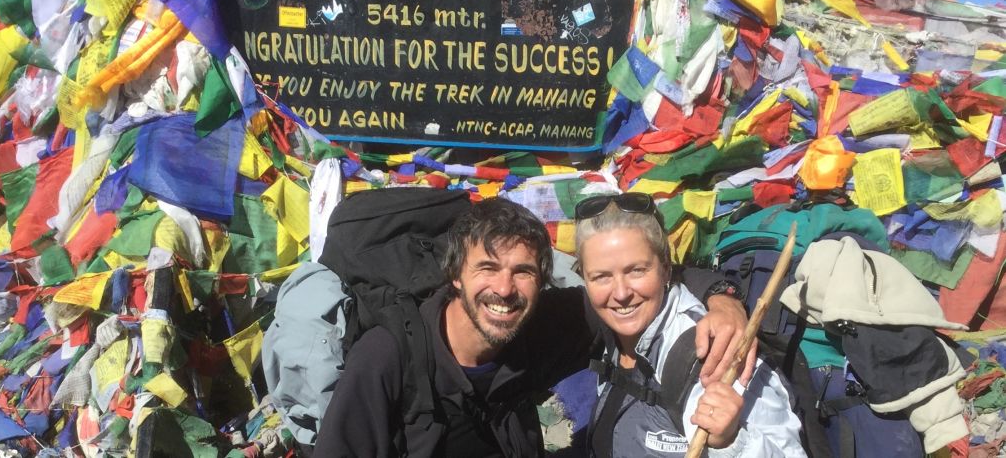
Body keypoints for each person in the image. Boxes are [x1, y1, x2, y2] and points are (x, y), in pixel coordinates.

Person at [313, 196, 753, 457]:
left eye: (522, 271)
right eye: (487, 268)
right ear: (454, 276)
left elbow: (631, 287)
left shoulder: (539, 322)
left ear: (542, 280)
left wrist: (723, 298)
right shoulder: (388, 356)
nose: (504, 290)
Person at [574, 192, 806, 457]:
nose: (621, 293)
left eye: (636, 270)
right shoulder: (617, 332)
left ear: (665, 267)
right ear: (584, 278)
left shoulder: (712, 351)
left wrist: (731, 442)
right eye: (601, 276)